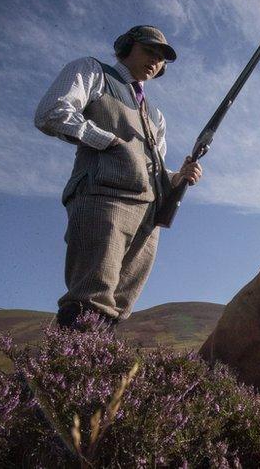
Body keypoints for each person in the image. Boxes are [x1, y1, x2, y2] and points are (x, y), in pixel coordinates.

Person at [34, 25, 202, 330]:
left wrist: (177, 178)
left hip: (148, 216)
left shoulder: (155, 114)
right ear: (126, 46)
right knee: (89, 297)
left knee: (118, 308)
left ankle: (90, 374)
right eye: (149, 50)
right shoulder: (93, 72)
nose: (155, 60)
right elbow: (51, 112)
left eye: (162, 57)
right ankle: (58, 374)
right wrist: (108, 141)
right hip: (104, 200)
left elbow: (154, 167)